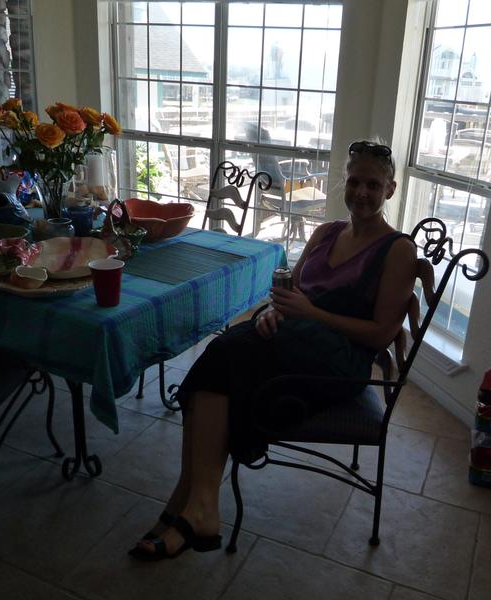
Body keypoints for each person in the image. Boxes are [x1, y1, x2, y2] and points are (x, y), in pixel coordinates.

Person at [129, 140, 418, 562]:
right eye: (354, 181)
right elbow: (289, 293)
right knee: (221, 358)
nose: (361, 192)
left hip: (337, 363)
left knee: (224, 357)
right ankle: (193, 505)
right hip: (293, 340)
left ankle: (192, 506)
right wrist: (271, 312)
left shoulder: (398, 249)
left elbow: (379, 336)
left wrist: (311, 313)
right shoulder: (327, 233)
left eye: (373, 185)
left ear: (390, 189)